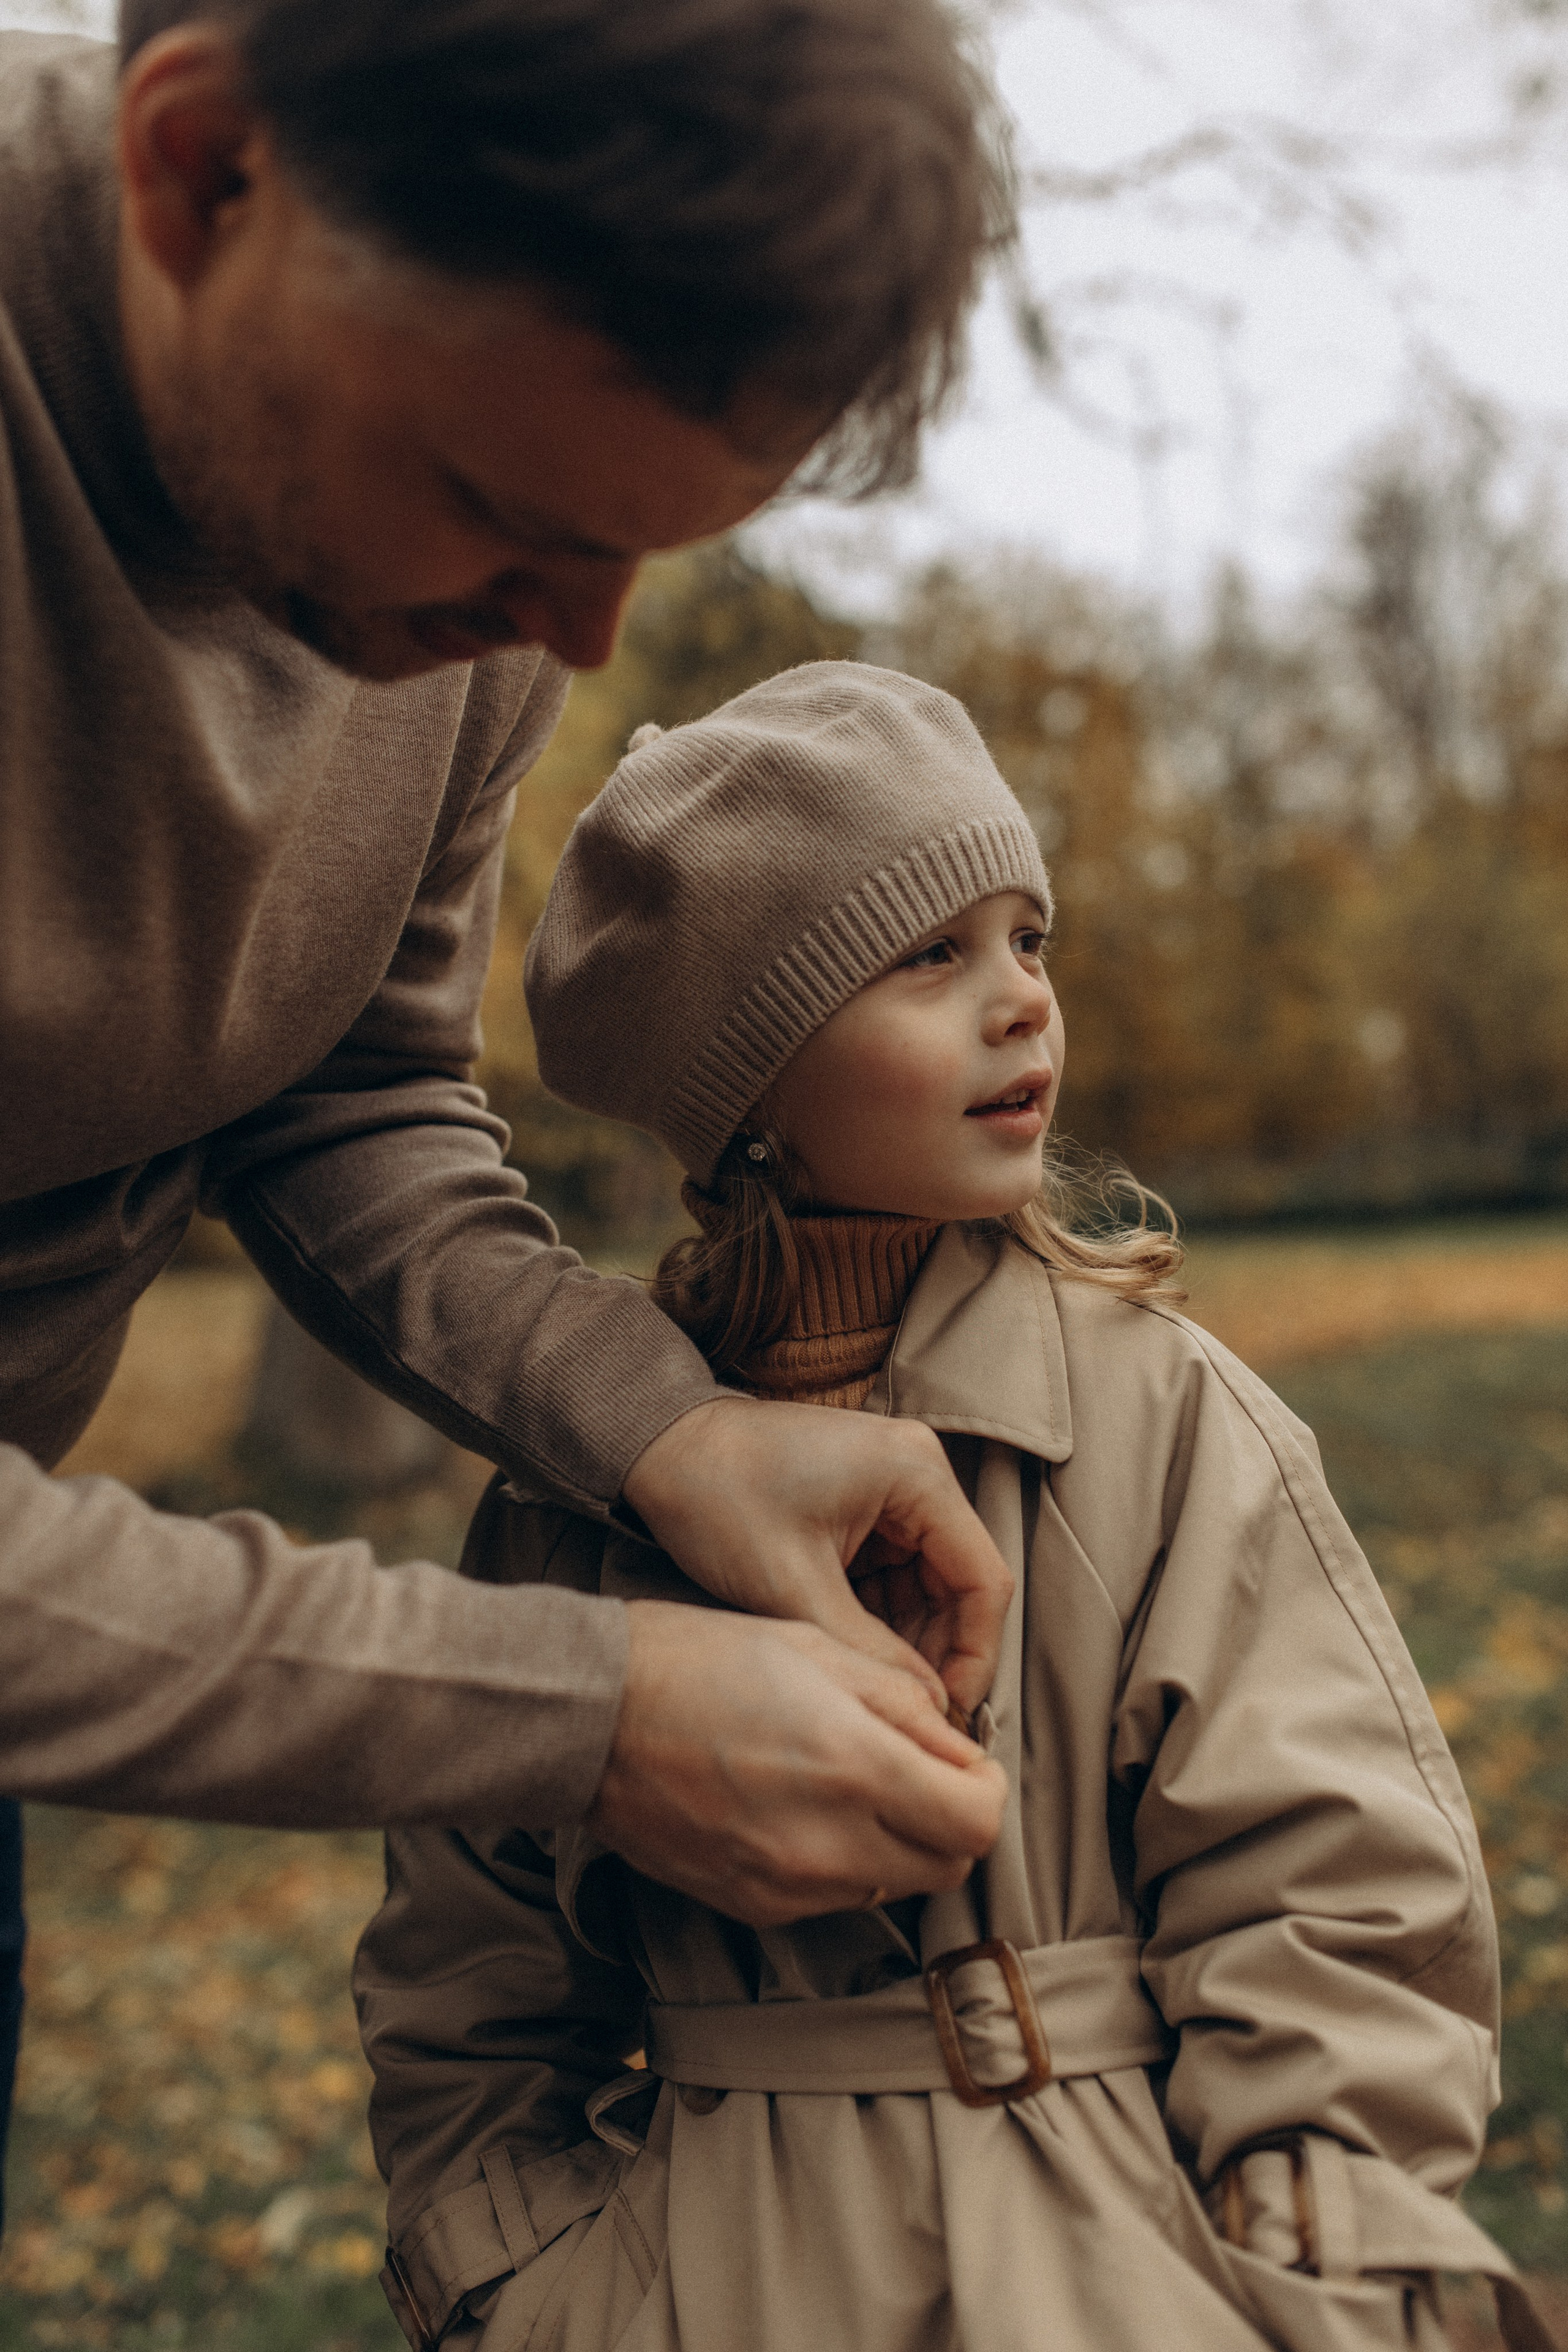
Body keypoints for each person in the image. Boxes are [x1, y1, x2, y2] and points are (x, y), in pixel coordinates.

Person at [0, 0, 1020, 2224]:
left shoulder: (473, 590)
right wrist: (572, 1709)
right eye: (505, 511)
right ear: (201, 177)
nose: (566, 638)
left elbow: (350, 1087)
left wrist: (661, 1431)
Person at [355, 664, 1550, 2352]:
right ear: (750, 1075)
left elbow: (1329, 1873)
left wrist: (1315, 2265)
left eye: (1028, 941)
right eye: (932, 955)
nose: (1022, 1005)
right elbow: (463, 1982)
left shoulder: (1155, 1419)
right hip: (698, 2294)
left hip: (1122, 2267)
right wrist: (521, 2285)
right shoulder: (579, 1500)